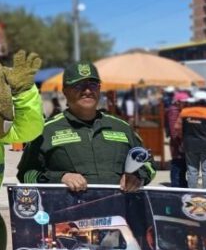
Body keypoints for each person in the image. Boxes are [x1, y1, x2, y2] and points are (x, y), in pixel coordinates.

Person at [18, 61, 155, 192]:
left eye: (93, 85)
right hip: (68, 213)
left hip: (119, 213)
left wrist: (138, 177)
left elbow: (148, 164)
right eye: (79, 85)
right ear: (65, 91)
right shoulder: (46, 131)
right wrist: (60, 178)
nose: (88, 91)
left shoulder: (122, 127)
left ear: (99, 89)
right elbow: (26, 175)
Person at [175, 90, 206, 189]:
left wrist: (184, 139)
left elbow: (177, 128)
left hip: (190, 146)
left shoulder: (184, 112)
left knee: (192, 171)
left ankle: (192, 194)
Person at [165, 92, 189, 187]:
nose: (187, 104)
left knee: (182, 165)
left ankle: (181, 184)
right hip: (177, 144)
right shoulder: (174, 111)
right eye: (185, 102)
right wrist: (180, 143)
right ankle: (176, 185)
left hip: (181, 143)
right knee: (177, 165)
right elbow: (173, 130)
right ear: (178, 102)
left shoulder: (180, 110)